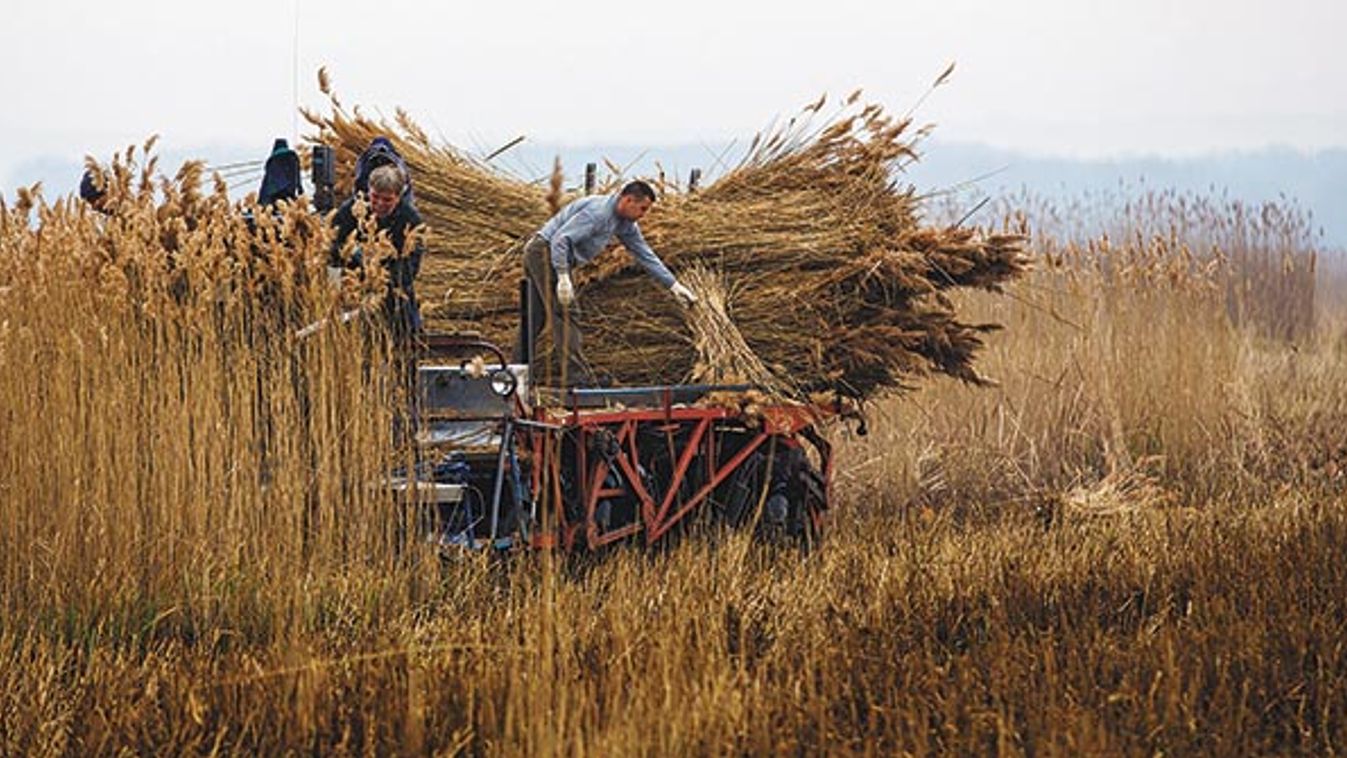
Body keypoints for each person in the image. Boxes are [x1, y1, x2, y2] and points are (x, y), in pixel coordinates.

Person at [513, 179, 697, 387]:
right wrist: (563, 276)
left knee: (535, 317)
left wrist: (673, 285)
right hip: (546, 253)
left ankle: (515, 373)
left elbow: (644, 254)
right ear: (628, 200)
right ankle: (575, 379)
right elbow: (560, 240)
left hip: (544, 252)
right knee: (566, 313)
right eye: (642, 208)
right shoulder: (598, 214)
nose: (643, 214)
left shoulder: (625, 223)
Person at [329, 162, 425, 340]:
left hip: (392, 295)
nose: (379, 204)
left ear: (399, 196)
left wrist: (380, 283)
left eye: (387, 200)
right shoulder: (351, 211)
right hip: (352, 291)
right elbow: (332, 248)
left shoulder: (411, 221)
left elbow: (410, 268)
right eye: (375, 197)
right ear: (368, 190)